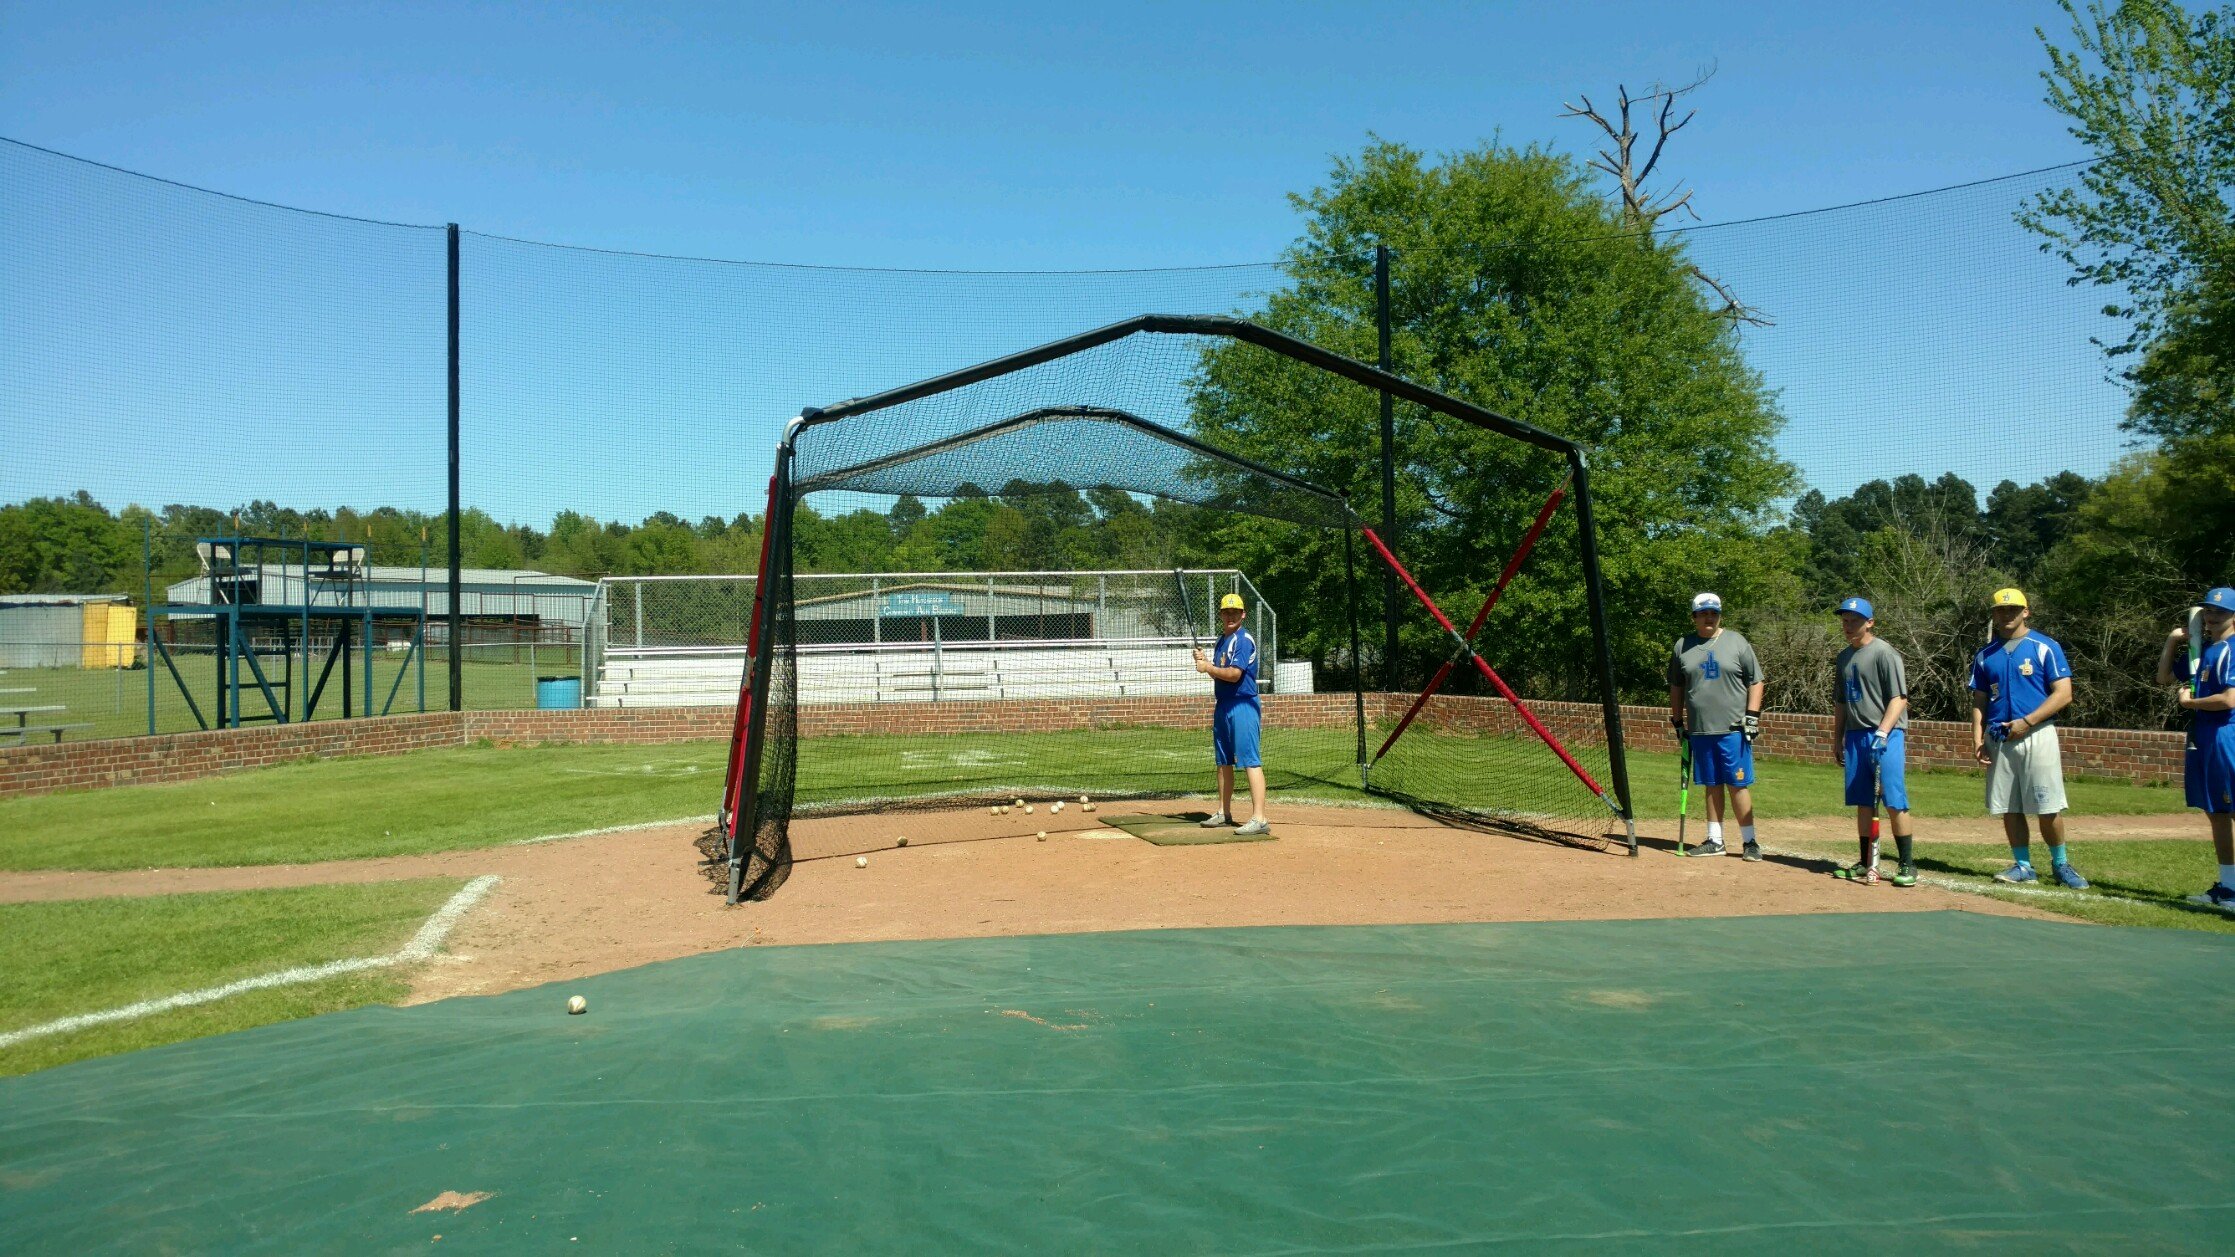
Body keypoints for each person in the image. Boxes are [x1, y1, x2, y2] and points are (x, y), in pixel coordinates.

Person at [1969, 588, 2086, 887]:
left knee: (2047, 806)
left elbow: (2064, 694)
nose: (2006, 615)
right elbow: (1979, 700)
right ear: (1994, 614)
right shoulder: (1985, 655)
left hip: (2037, 733)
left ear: (2026, 611)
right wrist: (1977, 739)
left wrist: (2027, 721)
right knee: (2009, 807)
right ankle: (2022, 866)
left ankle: (2061, 864)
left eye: (2013, 609)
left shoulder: (2045, 646)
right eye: (2000, 610)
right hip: (1999, 738)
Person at [1667, 592, 1765, 860]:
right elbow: (1676, 685)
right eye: (1703, 613)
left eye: (1714, 613)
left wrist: (1752, 715)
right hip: (1700, 729)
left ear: (1719, 615)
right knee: (1711, 784)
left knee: (1737, 784)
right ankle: (1715, 840)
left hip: (1733, 728)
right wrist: (1677, 720)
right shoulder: (1683, 645)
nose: (1709, 617)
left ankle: (1750, 842)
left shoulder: (1736, 641)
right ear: (1694, 617)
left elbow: (1756, 681)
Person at [1829, 597, 1917, 887]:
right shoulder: (1843, 657)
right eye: (1845, 620)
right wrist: (1837, 737)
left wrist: (1883, 731)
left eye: (1855, 620)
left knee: (1893, 799)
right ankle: (1866, 860)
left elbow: (1899, 698)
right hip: (1855, 735)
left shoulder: (1884, 653)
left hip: (1885, 735)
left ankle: (1907, 864)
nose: (1848, 625)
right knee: (1863, 802)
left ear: (1870, 622)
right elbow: (1841, 702)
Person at [2159, 587, 2235, 914]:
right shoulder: (2201, 650)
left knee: (2229, 811)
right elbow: (2163, 676)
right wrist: (2172, 641)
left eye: (2221, 611)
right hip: (2204, 733)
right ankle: (2228, 886)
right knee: (2215, 812)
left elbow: (2229, 699)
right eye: (2209, 610)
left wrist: (2190, 702)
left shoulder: (2231, 649)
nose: (2213, 615)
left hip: (2225, 732)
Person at [1194, 592, 1269, 835]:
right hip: (1223, 704)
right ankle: (1224, 812)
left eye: (1235, 612)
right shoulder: (1221, 641)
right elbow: (1218, 672)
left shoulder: (1243, 639)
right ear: (1221, 615)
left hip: (1243, 704)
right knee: (1223, 761)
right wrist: (1206, 663)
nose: (1230, 616)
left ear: (1243, 614)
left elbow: (1235, 674)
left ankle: (1259, 819)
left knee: (1250, 760)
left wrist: (1207, 667)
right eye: (1226, 612)